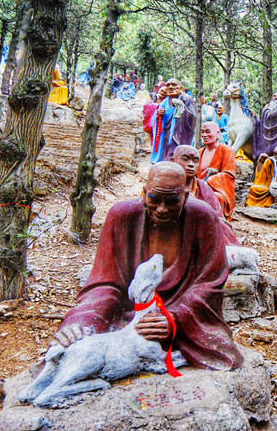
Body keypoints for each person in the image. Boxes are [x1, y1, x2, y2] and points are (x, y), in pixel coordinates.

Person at [51, 162, 243, 371]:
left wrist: (174, 318)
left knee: (222, 351)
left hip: (186, 317)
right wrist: (84, 320)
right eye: (154, 199)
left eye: (172, 201)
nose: (162, 209)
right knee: (77, 348)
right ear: (143, 193)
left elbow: (210, 282)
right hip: (129, 316)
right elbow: (105, 284)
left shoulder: (203, 217)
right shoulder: (121, 216)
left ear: (186, 197)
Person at [172, 145, 240, 246]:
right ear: (172, 161)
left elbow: (219, 220)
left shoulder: (204, 188)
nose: (191, 164)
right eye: (185, 159)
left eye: (195, 160)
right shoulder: (163, 184)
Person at [197, 122, 237, 221]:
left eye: (207, 132)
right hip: (197, 187)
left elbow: (229, 174)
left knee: (216, 197)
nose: (204, 135)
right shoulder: (198, 153)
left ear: (217, 134)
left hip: (217, 190)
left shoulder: (227, 151)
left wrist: (210, 180)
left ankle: (216, 226)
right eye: (202, 132)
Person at [150, 78, 196, 163]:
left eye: (174, 85)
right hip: (166, 135)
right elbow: (154, 119)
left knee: (177, 155)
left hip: (180, 135)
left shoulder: (187, 99)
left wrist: (181, 107)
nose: (170, 87)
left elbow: (192, 117)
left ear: (181, 88)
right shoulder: (164, 102)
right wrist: (158, 114)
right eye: (168, 85)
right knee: (166, 154)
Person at [253, 92, 277, 160]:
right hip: (266, 142)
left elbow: (270, 117)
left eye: (275, 97)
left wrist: (265, 109)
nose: (272, 99)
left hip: (276, 141)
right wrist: (254, 116)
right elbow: (263, 123)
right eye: (272, 97)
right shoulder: (273, 109)